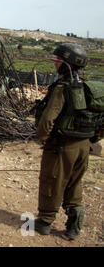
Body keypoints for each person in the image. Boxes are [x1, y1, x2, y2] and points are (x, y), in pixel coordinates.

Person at [34, 43, 104, 240]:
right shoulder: (92, 88)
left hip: (61, 145)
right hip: (83, 145)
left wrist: (44, 140)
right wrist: (92, 139)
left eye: (58, 61)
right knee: (74, 183)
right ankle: (74, 227)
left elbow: (48, 119)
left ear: (66, 64)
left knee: (52, 181)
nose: (55, 64)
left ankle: (45, 222)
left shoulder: (63, 88)